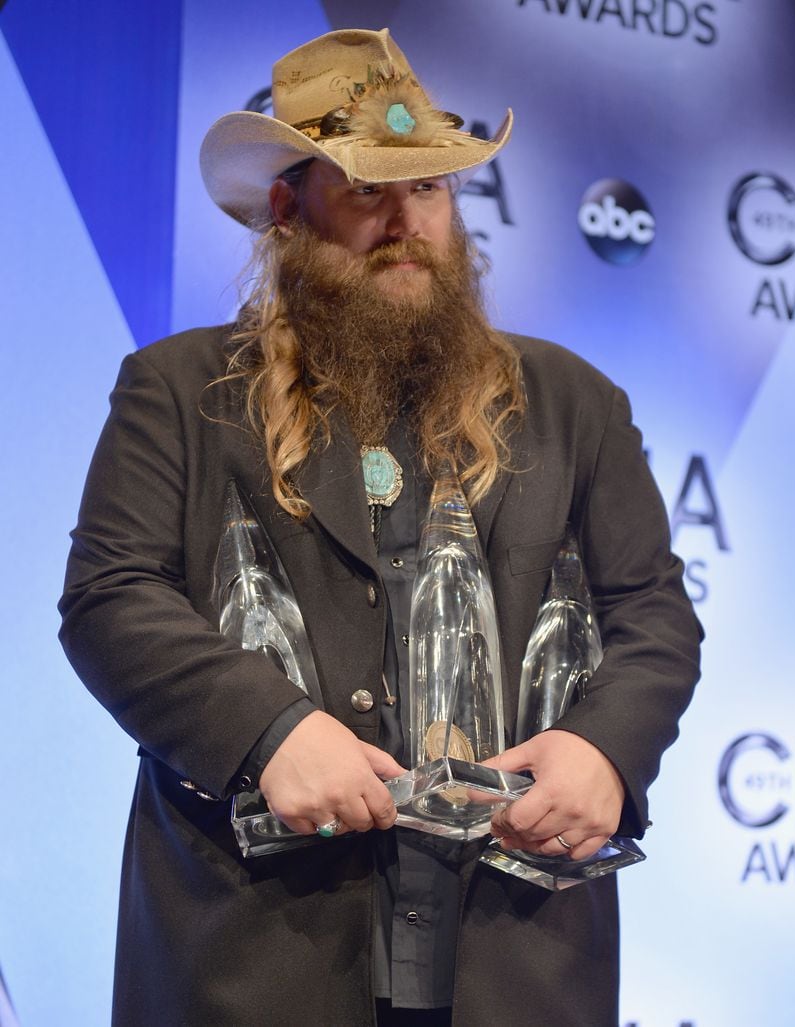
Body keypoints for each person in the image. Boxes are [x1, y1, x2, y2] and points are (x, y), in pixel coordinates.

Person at [59, 27, 701, 1027]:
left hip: (514, 953)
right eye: (367, 190)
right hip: (259, 952)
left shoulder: (578, 402)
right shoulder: (180, 390)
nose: (406, 222)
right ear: (287, 207)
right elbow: (110, 599)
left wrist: (603, 751)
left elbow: (654, 615)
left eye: (430, 188)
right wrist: (267, 731)